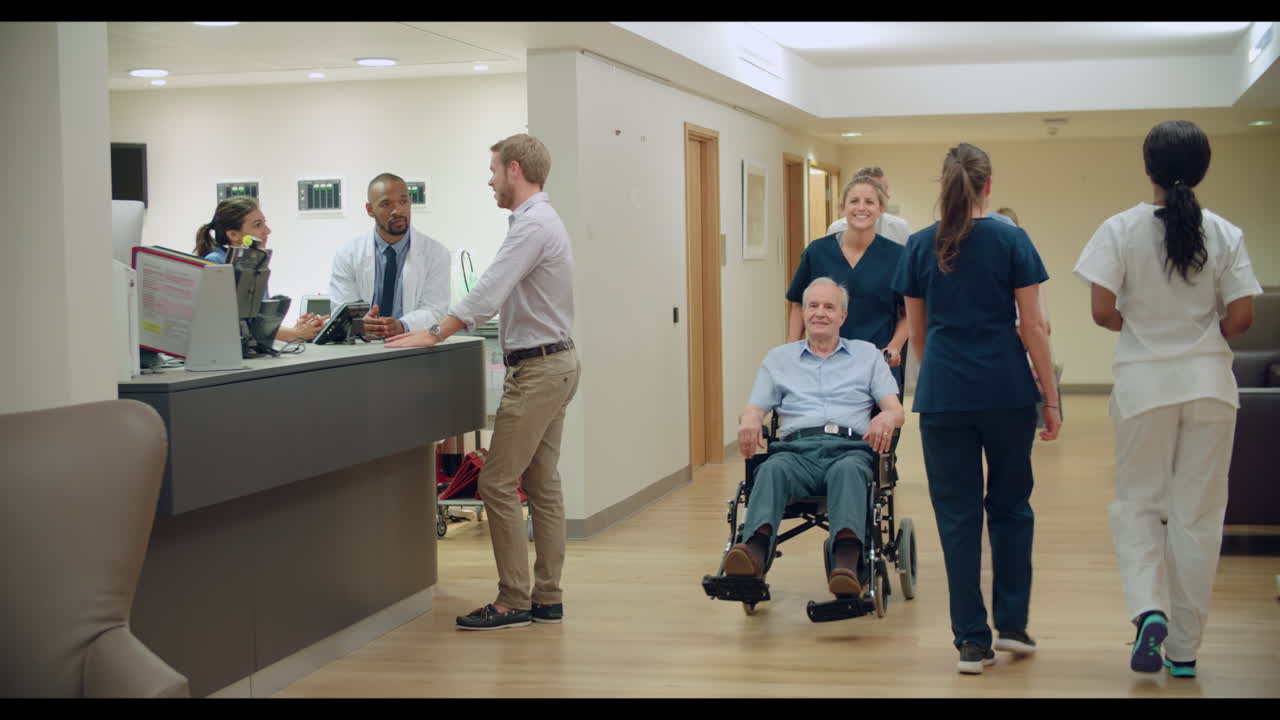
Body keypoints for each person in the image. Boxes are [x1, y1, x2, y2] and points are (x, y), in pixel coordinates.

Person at [1073, 120, 1260, 679]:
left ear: (1148, 168)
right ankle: (1184, 652)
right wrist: (1199, 340)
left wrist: (1147, 330)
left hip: (1143, 387)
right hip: (1211, 388)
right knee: (1199, 516)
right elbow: (1243, 315)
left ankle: (1148, 609)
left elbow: (1102, 311)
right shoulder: (1225, 233)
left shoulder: (1120, 229)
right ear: (1203, 169)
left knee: (1138, 504)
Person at [386, 134, 580, 631]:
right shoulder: (538, 221)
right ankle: (547, 598)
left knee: (496, 481)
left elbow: (488, 291)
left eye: (493, 170)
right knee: (542, 484)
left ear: (514, 170)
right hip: (555, 363)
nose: (488, 179)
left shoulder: (532, 225)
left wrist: (433, 333)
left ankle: (515, 599)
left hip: (539, 370)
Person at [890, 142, 1061, 675]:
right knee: (1011, 505)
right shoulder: (1012, 239)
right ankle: (1012, 625)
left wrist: (943, 372)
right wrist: (1050, 399)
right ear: (989, 185)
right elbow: (1033, 326)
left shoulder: (919, 245)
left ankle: (971, 641)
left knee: (958, 518)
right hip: (1007, 391)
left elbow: (917, 334)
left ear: (945, 184)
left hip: (944, 395)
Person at [730, 277, 904, 594]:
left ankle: (846, 565)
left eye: (828, 307)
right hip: (796, 452)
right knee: (770, 469)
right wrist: (750, 420)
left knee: (849, 472)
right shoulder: (779, 359)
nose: (819, 313)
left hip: (850, 449)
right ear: (804, 313)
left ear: (843, 316)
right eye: (813, 306)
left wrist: (886, 418)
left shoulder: (867, 356)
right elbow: (754, 408)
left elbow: (895, 410)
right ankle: (751, 554)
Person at [788, 175, 908, 391]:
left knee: (879, 424)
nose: (861, 208)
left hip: (877, 365)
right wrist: (790, 352)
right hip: (823, 364)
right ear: (842, 208)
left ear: (881, 209)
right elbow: (798, 303)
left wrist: (894, 347)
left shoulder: (898, 256)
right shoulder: (817, 252)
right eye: (854, 201)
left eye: (869, 202)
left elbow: (908, 313)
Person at [328, 173, 451, 339]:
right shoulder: (348, 254)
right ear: (370, 209)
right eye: (386, 204)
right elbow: (341, 308)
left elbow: (436, 312)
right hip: (362, 349)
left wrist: (402, 325)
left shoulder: (436, 253)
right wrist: (362, 324)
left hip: (412, 347)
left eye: (403, 201)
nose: (398, 211)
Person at [193, 196, 326, 342]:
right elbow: (238, 327)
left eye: (264, 223)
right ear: (233, 234)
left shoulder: (253, 263)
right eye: (257, 225)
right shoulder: (216, 263)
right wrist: (295, 333)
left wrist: (299, 329)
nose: (267, 230)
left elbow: (258, 323)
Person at [995, 207, 1062, 428]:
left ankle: (1036, 409)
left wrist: (1041, 323)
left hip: (1023, 327)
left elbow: (1038, 300)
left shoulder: (1023, 255)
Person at [825, 166, 912, 244]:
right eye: (855, 200)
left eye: (885, 189)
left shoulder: (900, 228)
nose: (887, 195)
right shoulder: (835, 229)